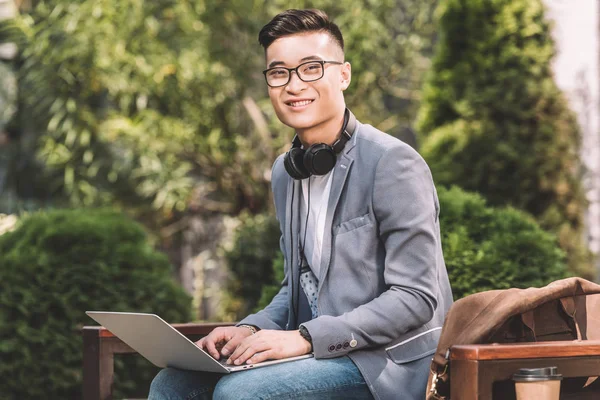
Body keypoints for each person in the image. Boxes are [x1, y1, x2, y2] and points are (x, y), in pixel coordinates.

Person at [149, 8, 453, 400]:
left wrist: (306, 339)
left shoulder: (393, 163)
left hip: (389, 364)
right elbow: (299, 287)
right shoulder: (285, 173)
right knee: (173, 384)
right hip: (323, 355)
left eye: (311, 68)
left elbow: (416, 298)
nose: (293, 85)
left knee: (241, 393)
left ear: (343, 74)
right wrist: (250, 329)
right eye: (279, 73)